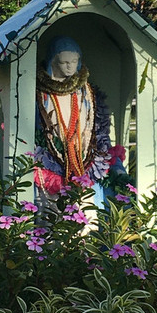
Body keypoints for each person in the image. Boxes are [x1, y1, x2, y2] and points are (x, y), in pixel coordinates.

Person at [34, 36, 125, 201]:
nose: (70, 66)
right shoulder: (41, 95)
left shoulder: (87, 94)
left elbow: (97, 129)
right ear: (53, 62)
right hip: (52, 167)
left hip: (85, 161)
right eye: (64, 62)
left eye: (74, 61)